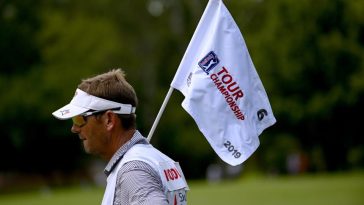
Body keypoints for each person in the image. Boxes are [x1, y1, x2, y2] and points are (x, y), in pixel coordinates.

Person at [52, 69, 188, 205]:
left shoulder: (133, 170)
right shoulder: (155, 159)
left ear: (109, 120)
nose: (74, 128)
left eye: (80, 118)